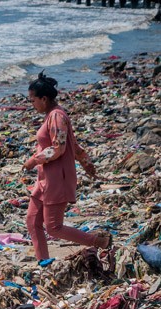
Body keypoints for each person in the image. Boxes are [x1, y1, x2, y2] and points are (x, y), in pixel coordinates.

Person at [22, 71, 108, 263]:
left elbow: (59, 148)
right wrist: (87, 165)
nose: (32, 104)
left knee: (53, 227)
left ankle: (97, 241)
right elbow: (75, 147)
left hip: (57, 179)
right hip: (45, 179)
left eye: (33, 100)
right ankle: (43, 262)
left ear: (44, 99)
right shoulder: (51, 116)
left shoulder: (57, 117)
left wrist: (34, 160)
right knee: (32, 221)